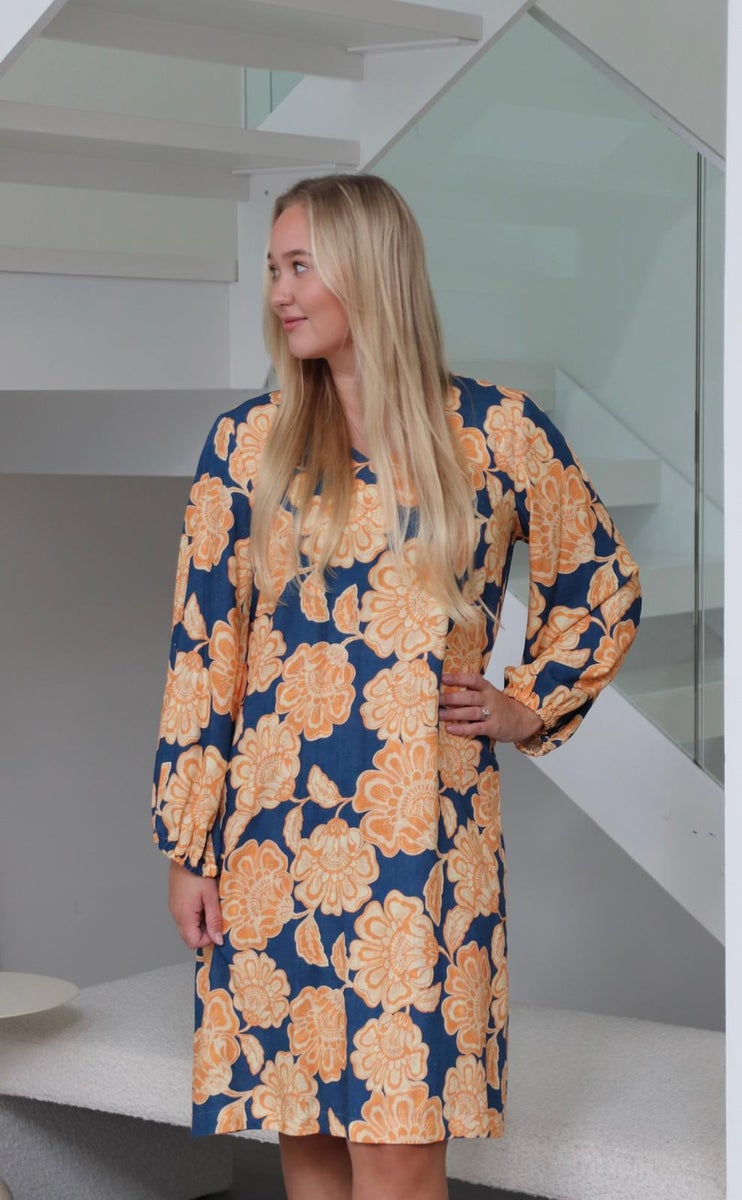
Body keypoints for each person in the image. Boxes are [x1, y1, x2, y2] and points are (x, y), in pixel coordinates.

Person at [152, 173, 641, 1200]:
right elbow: (205, 652)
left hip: (423, 842)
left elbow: (600, 581)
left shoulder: (498, 432)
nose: (278, 293)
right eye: (273, 269)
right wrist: (189, 847)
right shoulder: (245, 445)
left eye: (300, 266)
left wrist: (526, 702)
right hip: (271, 842)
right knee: (306, 1135)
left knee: (399, 1150)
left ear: (369, 270)